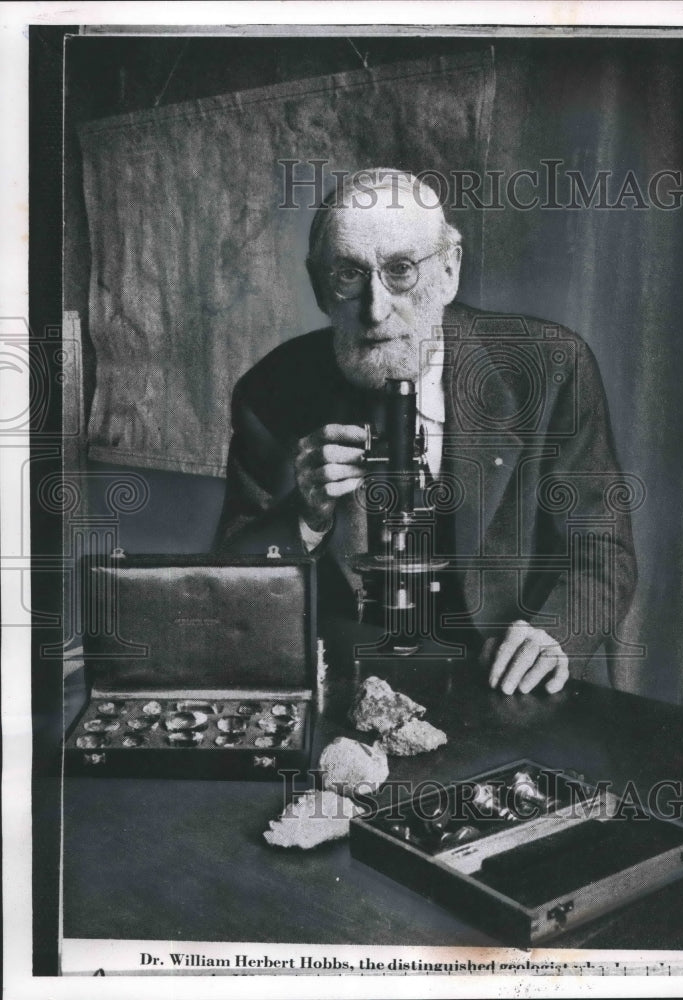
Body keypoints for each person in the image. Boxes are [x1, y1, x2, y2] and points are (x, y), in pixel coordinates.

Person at [215, 168, 637, 695]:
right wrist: (305, 516)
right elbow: (232, 583)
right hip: (351, 684)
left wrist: (555, 634)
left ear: (449, 270)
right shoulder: (271, 390)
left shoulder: (550, 366)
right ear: (319, 286)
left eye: (401, 270)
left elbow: (601, 548)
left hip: (504, 683)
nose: (375, 309)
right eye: (349, 275)